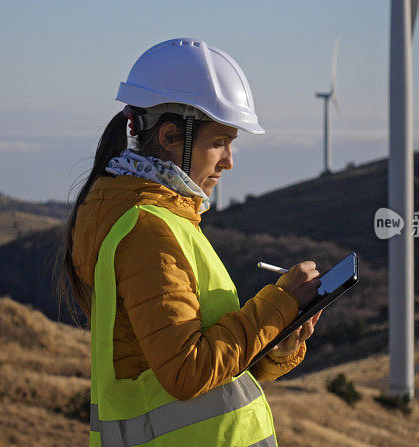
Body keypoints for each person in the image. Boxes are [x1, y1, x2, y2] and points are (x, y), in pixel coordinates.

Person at [60, 38, 323, 447]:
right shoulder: (146, 229)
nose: (229, 160)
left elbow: (214, 375)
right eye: (220, 142)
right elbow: (187, 372)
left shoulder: (163, 219)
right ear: (169, 137)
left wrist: (278, 338)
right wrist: (280, 303)